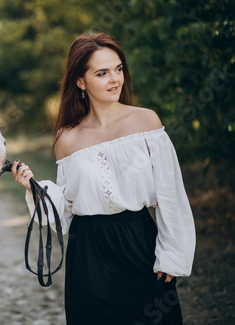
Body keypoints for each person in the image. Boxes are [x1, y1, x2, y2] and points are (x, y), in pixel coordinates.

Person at [11, 32, 195, 325]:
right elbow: (68, 208)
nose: (115, 79)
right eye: (102, 72)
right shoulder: (67, 138)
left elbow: (170, 194)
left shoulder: (146, 121)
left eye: (118, 69)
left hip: (139, 245)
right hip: (89, 254)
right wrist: (36, 190)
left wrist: (172, 254)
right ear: (80, 81)